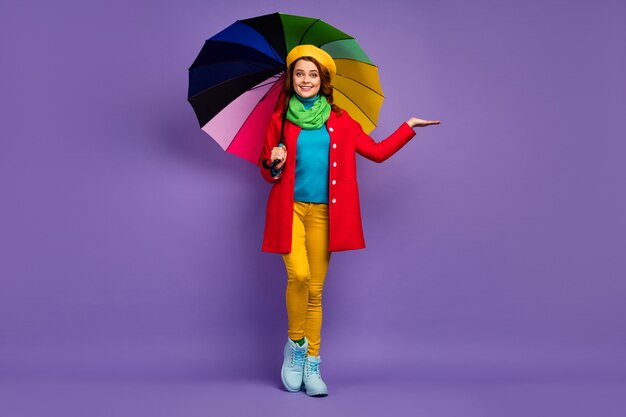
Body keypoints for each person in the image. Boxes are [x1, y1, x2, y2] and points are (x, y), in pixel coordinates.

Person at [259, 45, 440, 397]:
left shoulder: (341, 120)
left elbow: (377, 152)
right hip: (290, 210)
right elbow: (268, 173)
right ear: (291, 79)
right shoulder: (280, 119)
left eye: (313, 74)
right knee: (298, 275)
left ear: (323, 80)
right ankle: (294, 348)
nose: (306, 80)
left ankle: (312, 362)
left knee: (316, 290)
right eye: (299, 73)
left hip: (325, 213)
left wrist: (408, 126)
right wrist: (275, 161)